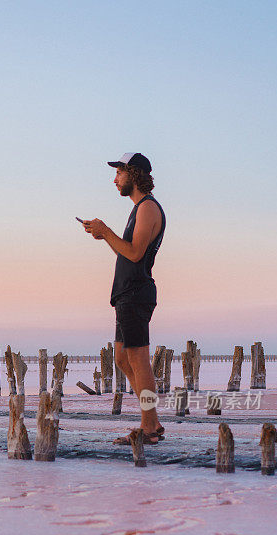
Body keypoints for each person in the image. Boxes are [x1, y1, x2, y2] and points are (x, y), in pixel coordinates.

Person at [81, 152, 166, 444]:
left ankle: (148, 429)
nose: (114, 179)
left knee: (139, 360)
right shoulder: (138, 209)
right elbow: (126, 252)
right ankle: (151, 421)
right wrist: (103, 235)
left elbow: (134, 253)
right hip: (125, 293)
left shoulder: (148, 208)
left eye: (119, 173)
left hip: (136, 292)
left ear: (134, 174)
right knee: (121, 359)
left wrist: (106, 231)